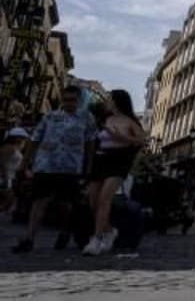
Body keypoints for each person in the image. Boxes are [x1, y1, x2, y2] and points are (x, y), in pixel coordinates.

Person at [11, 85, 97, 253]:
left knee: (65, 205)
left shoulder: (87, 118)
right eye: (66, 100)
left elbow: (90, 143)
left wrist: (89, 166)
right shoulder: (50, 116)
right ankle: (29, 238)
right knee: (39, 202)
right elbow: (35, 139)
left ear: (79, 101)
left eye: (72, 100)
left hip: (70, 168)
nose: (68, 103)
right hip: (45, 165)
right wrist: (25, 163)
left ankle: (64, 230)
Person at [83, 90, 146, 256]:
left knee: (105, 199)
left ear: (117, 101)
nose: (107, 102)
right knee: (93, 202)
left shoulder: (130, 121)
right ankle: (109, 230)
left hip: (118, 162)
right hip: (101, 159)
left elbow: (141, 141)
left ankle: (96, 240)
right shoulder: (105, 119)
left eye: (109, 99)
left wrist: (120, 137)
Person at [0, 126, 30, 214]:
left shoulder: (16, 148)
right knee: (10, 198)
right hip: (6, 175)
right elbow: (1, 162)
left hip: (12, 176)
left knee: (11, 199)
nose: (24, 139)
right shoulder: (9, 148)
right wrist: (4, 176)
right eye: (22, 137)